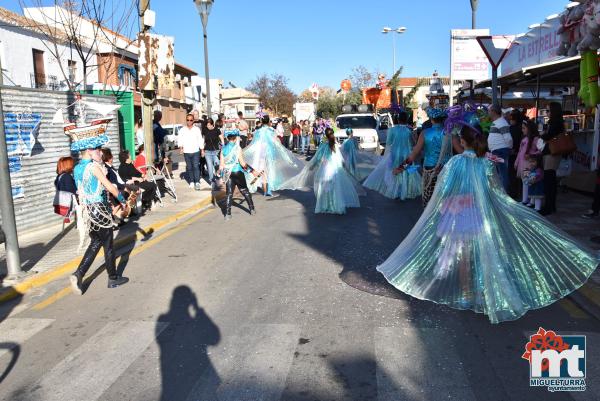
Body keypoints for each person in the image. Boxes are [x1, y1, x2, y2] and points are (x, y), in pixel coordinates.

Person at [376, 122, 600, 323]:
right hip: (479, 213)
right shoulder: (486, 164)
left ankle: (466, 293)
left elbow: (443, 191)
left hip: (458, 213)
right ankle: (483, 289)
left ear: (462, 142)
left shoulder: (454, 163)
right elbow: (496, 191)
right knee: (483, 249)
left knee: (462, 254)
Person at [67, 131, 129, 295]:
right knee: (108, 245)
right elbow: (109, 186)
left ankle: (78, 274)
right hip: (99, 209)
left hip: (88, 211)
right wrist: (122, 199)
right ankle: (113, 278)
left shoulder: (78, 167)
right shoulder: (93, 167)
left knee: (95, 243)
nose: (100, 152)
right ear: (88, 151)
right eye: (97, 149)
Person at [280, 128, 364, 214]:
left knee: (324, 187)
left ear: (325, 135)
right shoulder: (334, 145)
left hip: (325, 168)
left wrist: (313, 166)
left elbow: (319, 157)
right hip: (334, 169)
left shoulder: (324, 145)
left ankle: (325, 205)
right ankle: (335, 205)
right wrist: (344, 167)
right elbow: (339, 158)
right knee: (334, 187)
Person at [399, 108, 461, 207]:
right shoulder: (450, 134)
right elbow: (461, 152)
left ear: (431, 119)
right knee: (445, 200)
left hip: (429, 169)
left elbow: (414, 153)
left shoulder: (425, 133)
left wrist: (401, 167)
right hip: (446, 169)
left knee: (430, 202)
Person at [363, 112, 422, 200]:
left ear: (398, 119)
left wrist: (386, 156)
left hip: (394, 153)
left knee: (395, 170)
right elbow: (413, 143)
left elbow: (388, 143)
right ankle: (405, 191)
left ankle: (397, 191)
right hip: (406, 154)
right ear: (406, 120)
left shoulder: (392, 130)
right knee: (405, 171)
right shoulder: (409, 131)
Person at [243, 115, 304, 196]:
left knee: (262, 171)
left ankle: (265, 191)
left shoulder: (258, 131)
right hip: (269, 153)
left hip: (260, 153)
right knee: (270, 170)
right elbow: (275, 141)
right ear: (268, 122)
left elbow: (254, 143)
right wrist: (281, 150)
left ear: (261, 122)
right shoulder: (271, 130)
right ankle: (268, 189)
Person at [219, 129, 257, 220]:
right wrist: (252, 171)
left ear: (227, 138)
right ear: (235, 138)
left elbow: (221, 165)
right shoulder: (238, 148)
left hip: (228, 173)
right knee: (244, 190)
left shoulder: (223, 149)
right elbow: (243, 163)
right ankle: (252, 209)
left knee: (229, 194)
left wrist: (222, 177)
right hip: (238, 171)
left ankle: (227, 214)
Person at [539, 102, 564, 216]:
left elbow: (549, 135)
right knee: (550, 180)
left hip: (552, 153)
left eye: (548, 111)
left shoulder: (556, 122)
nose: (546, 113)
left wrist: (542, 134)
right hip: (550, 153)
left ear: (554, 111)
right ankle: (550, 205)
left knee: (550, 180)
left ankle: (549, 206)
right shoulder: (555, 122)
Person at [487, 104, 512, 192]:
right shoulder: (498, 122)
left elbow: (508, 138)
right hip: (497, 150)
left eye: (489, 111)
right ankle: (502, 193)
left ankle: (504, 193)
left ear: (494, 111)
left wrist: (508, 148)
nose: (488, 113)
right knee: (499, 173)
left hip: (500, 150)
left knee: (502, 173)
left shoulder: (501, 122)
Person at [514, 119, 540, 205]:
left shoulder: (535, 139)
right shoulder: (524, 139)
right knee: (525, 182)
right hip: (523, 164)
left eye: (524, 128)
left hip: (529, 164)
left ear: (529, 128)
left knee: (528, 182)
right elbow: (519, 152)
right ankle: (526, 199)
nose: (522, 130)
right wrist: (516, 162)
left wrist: (531, 154)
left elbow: (540, 150)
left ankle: (528, 200)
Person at [179, 113, 205, 190]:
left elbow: (200, 140)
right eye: (188, 120)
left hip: (196, 151)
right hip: (186, 151)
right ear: (186, 120)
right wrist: (181, 148)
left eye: (191, 120)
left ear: (193, 120)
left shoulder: (196, 129)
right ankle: (191, 182)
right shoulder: (182, 129)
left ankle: (197, 182)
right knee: (189, 167)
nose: (189, 121)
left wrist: (202, 150)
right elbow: (180, 139)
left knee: (196, 166)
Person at [53, 156, 77, 222]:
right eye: (72, 164)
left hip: (62, 202)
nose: (73, 165)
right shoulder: (67, 176)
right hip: (68, 204)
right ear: (68, 165)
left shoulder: (59, 176)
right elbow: (72, 190)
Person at [508, 110, 524, 198]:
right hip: (520, 154)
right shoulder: (521, 128)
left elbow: (511, 141)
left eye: (511, 118)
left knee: (512, 174)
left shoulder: (512, 128)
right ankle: (520, 192)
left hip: (513, 153)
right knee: (519, 175)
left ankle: (513, 193)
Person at [203, 118, 224, 182]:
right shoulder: (205, 130)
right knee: (209, 167)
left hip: (216, 151)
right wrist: (202, 149)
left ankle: (218, 178)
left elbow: (221, 138)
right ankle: (212, 181)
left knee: (217, 165)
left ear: (212, 124)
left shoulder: (217, 130)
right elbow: (203, 140)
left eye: (209, 125)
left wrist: (223, 146)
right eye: (207, 125)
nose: (208, 126)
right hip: (207, 152)